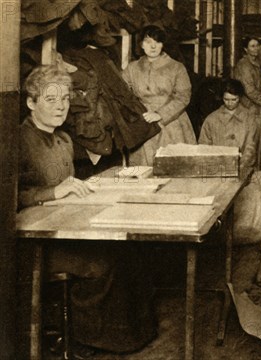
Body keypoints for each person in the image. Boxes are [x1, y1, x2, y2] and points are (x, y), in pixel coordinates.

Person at [19, 65, 156, 355]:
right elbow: (12, 199)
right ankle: (89, 340)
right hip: (34, 244)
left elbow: (66, 184)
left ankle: (133, 336)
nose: (61, 107)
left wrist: (85, 186)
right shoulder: (18, 141)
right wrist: (53, 193)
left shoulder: (64, 139)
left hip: (65, 227)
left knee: (132, 251)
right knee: (103, 263)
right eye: (51, 99)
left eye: (66, 99)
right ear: (31, 103)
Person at [122, 25, 196, 166]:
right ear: (141, 44)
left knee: (173, 168)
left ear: (163, 44)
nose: (153, 46)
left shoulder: (176, 67)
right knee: (143, 170)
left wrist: (160, 114)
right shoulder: (132, 68)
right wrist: (137, 113)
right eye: (148, 42)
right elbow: (122, 93)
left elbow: (183, 97)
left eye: (157, 42)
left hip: (172, 122)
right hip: (143, 122)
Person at [198, 79, 259, 173]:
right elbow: (204, 146)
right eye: (226, 99)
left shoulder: (250, 119)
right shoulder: (212, 119)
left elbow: (251, 146)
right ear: (221, 97)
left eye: (234, 99)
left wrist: (242, 166)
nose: (230, 103)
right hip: (217, 170)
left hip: (243, 169)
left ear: (240, 97)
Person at [233, 36, 261, 117]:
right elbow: (249, 90)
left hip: (257, 105)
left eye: (257, 45)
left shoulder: (256, 63)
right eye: (252, 46)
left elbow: (260, 88)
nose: (256, 48)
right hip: (247, 107)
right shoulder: (244, 65)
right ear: (246, 49)